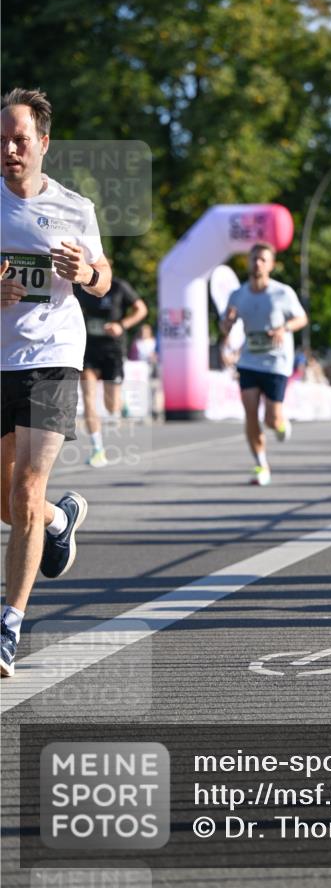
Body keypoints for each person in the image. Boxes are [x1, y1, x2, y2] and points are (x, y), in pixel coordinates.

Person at [1, 87, 111, 677]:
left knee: (23, 489)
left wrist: (87, 271)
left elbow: (103, 278)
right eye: (0, 141)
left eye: (20, 140)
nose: (9, 150)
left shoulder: (75, 208)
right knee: (10, 504)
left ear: (43, 143)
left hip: (52, 356)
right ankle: (57, 519)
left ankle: (7, 626)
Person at [219, 242, 308, 485]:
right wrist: (226, 324)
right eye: (254, 258)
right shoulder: (238, 295)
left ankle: (280, 424)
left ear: (271, 265)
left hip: (277, 362)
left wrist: (285, 328)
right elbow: (225, 327)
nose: (257, 263)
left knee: (271, 419)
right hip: (249, 361)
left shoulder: (282, 293)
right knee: (250, 413)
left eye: (262, 259)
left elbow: (302, 318)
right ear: (248, 262)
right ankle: (261, 465)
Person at [74, 274, 148, 466]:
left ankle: (120, 402)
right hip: (88, 349)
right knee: (88, 397)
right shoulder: (80, 287)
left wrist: (122, 325)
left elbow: (141, 310)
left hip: (113, 350)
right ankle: (97, 448)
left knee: (111, 406)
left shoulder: (119, 287)